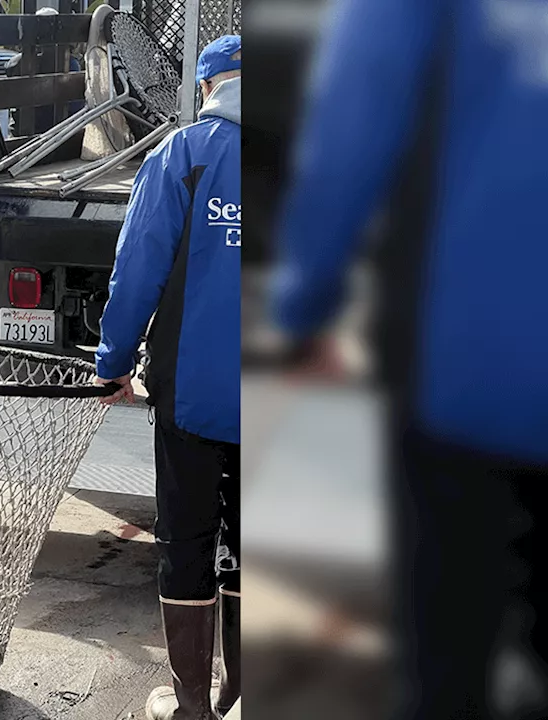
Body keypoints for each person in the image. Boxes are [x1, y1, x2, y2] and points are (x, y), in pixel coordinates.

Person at [269, 0, 548, 716]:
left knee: (448, 662)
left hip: (467, 376)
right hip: (476, 373)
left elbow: (350, 132)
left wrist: (303, 308)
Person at [94, 35, 242, 720]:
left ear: (207, 86)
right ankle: (246, 691)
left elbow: (137, 273)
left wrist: (114, 363)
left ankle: (191, 706)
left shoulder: (182, 154)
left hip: (194, 392)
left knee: (186, 537)